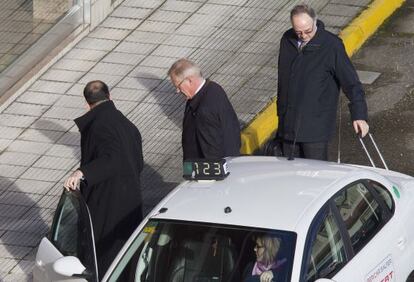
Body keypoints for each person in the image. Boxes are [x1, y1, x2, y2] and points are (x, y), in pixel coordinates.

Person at [64, 80, 144, 279]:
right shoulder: (126, 124)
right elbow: (137, 162)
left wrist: (81, 173)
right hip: (130, 201)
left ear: (87, 104)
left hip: (107, 206)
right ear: (110, 96)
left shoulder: (99, 126)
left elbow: (112, 158)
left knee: (106, 259)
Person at [277, 4, 369, 160]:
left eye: (308, 31)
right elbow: (283, 81)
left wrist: (359, 115)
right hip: (288, 125)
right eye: (298, 32)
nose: (304, 36)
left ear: (315, 21)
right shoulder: (287, 40)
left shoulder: (331, 45)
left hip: (315, 129)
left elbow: (351, 83)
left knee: (316, 177)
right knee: (289, 179)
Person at [168, 58, 241, 160]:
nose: (177, 91)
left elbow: (211, 151)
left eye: (178, 86)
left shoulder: (203, 111)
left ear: (189, 80)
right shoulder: (214, 88)